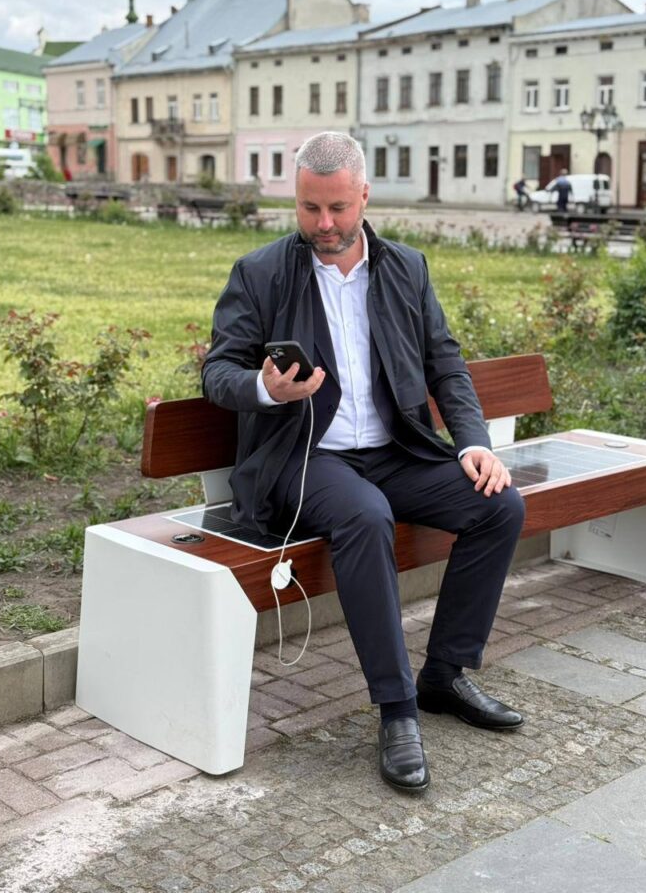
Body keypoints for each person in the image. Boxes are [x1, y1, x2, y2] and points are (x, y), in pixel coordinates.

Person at [202, 132, 525, 794]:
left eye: (338, 208)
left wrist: (474, 443)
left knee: (498, 505)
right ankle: (397, 708)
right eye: (309, 208)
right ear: (296, 201)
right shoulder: (260, 272)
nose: (324, 224)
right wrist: (267, 388)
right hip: (304, 457)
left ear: (365, 197)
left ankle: (445, 675)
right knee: (365, 516)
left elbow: (445, 364)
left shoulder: (406, 268)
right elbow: (218, 372)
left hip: (394, 451)